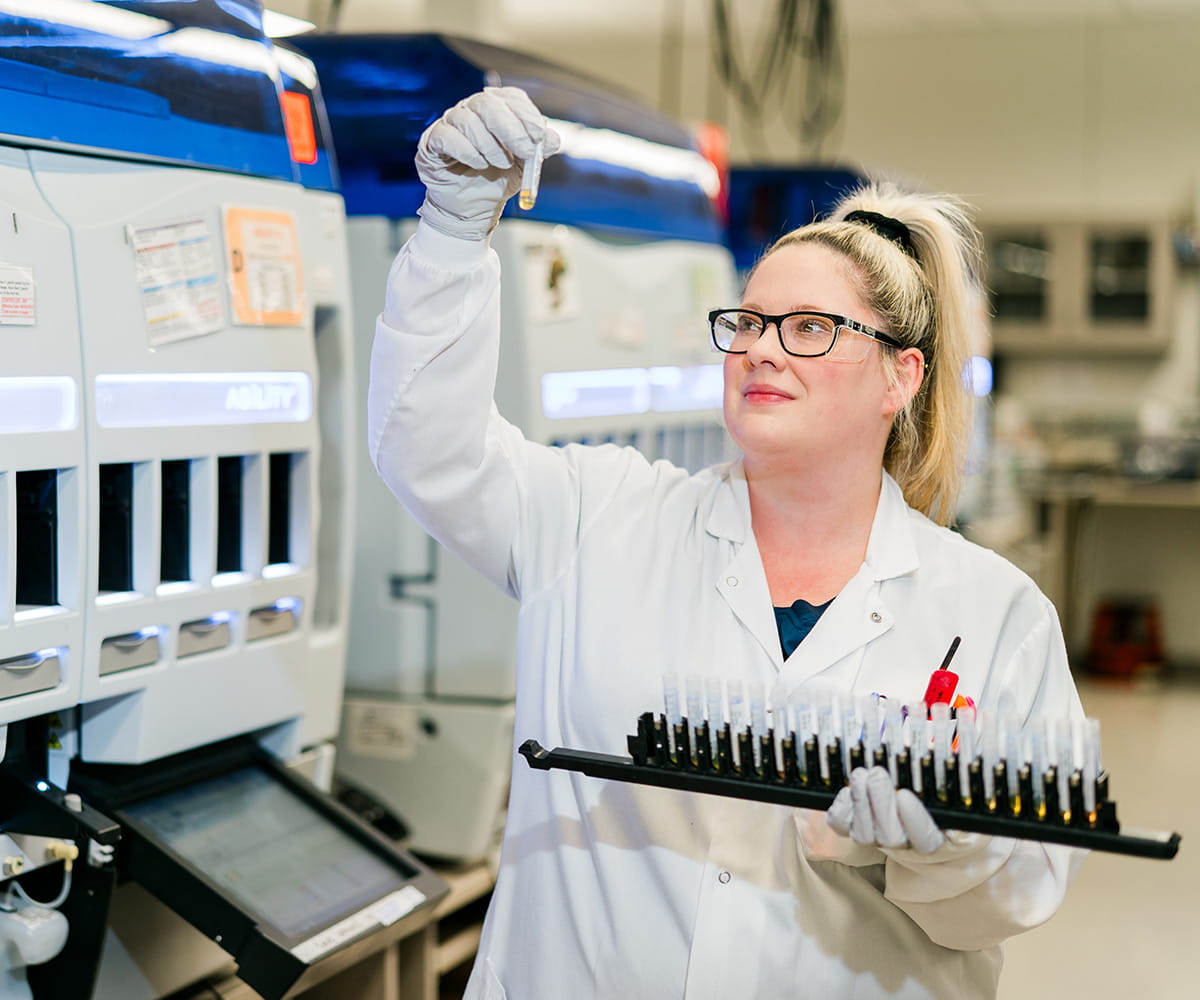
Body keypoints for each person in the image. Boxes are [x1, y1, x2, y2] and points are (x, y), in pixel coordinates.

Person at [368, 86, 1086, 999]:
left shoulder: (993, 617)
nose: (761, 350)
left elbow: (1026, 888)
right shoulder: (599, 517)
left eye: (811, 329)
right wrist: (450, 230)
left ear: (900, 377)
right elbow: (423, 445)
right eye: (747, 322)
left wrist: (941, 846)